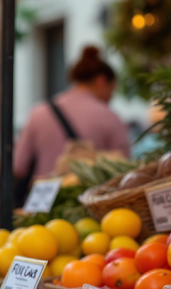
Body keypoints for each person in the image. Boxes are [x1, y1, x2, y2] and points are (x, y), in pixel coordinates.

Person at [13, 46, 130, 204]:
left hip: (41, 202)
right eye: (112, 90)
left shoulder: (39, 112)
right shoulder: (110, 117)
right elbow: (125, 169)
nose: (111, 97)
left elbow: (19, 166)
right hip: (88, 204)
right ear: (101, 82)